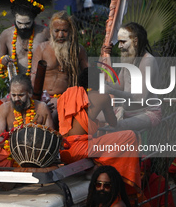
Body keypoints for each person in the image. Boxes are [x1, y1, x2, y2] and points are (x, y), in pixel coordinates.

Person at [58, 67, 141, 196]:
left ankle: (97, 165)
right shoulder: (102, 97)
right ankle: (99, 166)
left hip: (64, 150)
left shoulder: (68, 94)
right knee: (130, 136)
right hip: (81, 149)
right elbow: (113, 123)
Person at [31, 10, 89, 127]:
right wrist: (37, 99)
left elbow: (89, 74)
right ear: (51, 31)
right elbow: (33, 76)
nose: (60, 35)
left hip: (68, 97)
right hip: (44, 97)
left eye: (64, 31)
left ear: (70, 31)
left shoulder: (78, 50)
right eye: (57, 31)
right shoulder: (42, 49)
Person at [103, 22, 161, 131]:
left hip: (147, 113)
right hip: (126, 111)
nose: (119, 46)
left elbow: (140, 98)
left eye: (123, 42)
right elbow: (119, 86)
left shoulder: (148, 60)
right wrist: (102, 83)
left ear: (135, 41)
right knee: (91, 117)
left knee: (116, 126)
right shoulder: (129, 58)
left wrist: (110, 90)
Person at [0, 74, 54, 168]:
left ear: (29, 93)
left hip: (36, 154)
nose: (16, 99)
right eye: (13, 95)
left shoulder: (41, 108)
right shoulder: (4, 108)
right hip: (12, 153)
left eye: (21, 95)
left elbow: (51, 136)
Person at [0, 0, 50, 77]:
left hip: (40, 82)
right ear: (14, 19)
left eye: (27, 23)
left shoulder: (44, 32)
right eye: (19, 23)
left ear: (33, 19)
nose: (23, 27)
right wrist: (3, 61)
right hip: (17, 85)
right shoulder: (6, 35)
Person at [67, 165, 136, 207]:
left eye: (107, 185)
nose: (101, 188)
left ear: (114, 186)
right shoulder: (101, 202)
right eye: (98, 184)